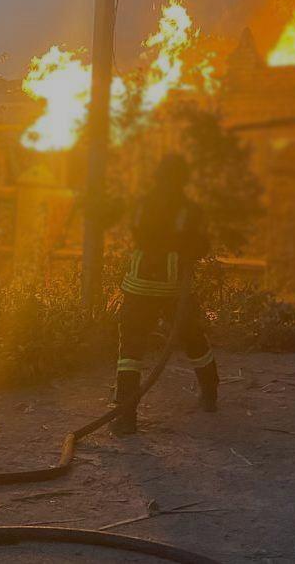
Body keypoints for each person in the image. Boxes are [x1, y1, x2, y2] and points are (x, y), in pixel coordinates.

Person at [112, 153, 219, 435]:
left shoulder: (143, 204)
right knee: (193, 338)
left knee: (130, 350)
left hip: (139, 284)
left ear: (157, 177)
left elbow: (137, 234)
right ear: (183, 180)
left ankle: (125, 417)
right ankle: (210, 392)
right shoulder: (190, 210)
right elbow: (200, 246)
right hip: (173, 286)